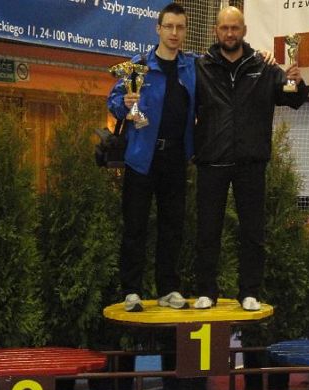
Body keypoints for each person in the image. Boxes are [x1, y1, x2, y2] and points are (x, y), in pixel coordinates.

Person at [193, 6, 307, 311]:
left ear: (244, 30)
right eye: (225, 28)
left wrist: (296, 81)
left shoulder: (264, 66)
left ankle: (249, 292)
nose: (230, 33)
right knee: (207, 232)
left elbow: (293, 99)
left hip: (251, 163)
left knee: (253, 232)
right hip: (211, 161)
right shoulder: (200, 67)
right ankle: (206, 291)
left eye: (235, 28)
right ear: (216, 31)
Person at [107, 3, 195, 312]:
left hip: (175, 159)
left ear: (185, 31)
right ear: (158, 28)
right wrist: (124, 104)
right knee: (135, 227)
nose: (174, 33)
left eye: (180, 27)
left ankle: (168, 289)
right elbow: (113, 100)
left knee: (172, 228)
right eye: (169, 26)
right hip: (141, 158)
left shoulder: (192, 68)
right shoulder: (138, 65)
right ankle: (131, 290)